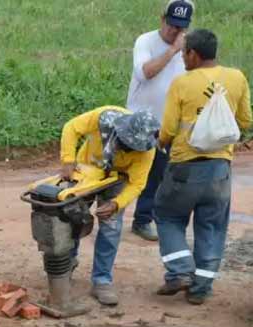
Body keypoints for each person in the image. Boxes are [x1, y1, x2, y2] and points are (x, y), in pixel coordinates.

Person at [156, 29, 252, 305]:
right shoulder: (236, 78)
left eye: (184, 53)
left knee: (167, 216)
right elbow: (245, 121)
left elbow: (168, 129)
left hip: (184, 167)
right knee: (212, 226)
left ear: (194, 54)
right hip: (220, 169)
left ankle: (180, 271)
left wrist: (160, 142)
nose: (183, 58)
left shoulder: (182, 83)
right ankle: (200, 289)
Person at [60, 107, 159, 306]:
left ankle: (102, 280)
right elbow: (71, 127)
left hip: (116, 180)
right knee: (72, 218)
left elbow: (137, 184)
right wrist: (68, 161)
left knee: (111, 227)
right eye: (126, 144)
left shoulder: (147, 150)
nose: (128, 150)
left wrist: (116, 204)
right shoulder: (104, 117)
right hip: (87, 170)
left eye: (133, 148)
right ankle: (65, 265)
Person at [126, 0, 195, 242]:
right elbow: (145, 73)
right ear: (162, 19)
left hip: (168, 123)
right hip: (139, 120)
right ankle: (109, 216)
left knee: (159, 174)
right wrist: (172, 50)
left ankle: (143, 219)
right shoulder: (145, 41)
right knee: (126, 172)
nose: (174, 31)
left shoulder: (190, 48)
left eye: (180, 27)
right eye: (171, 24)